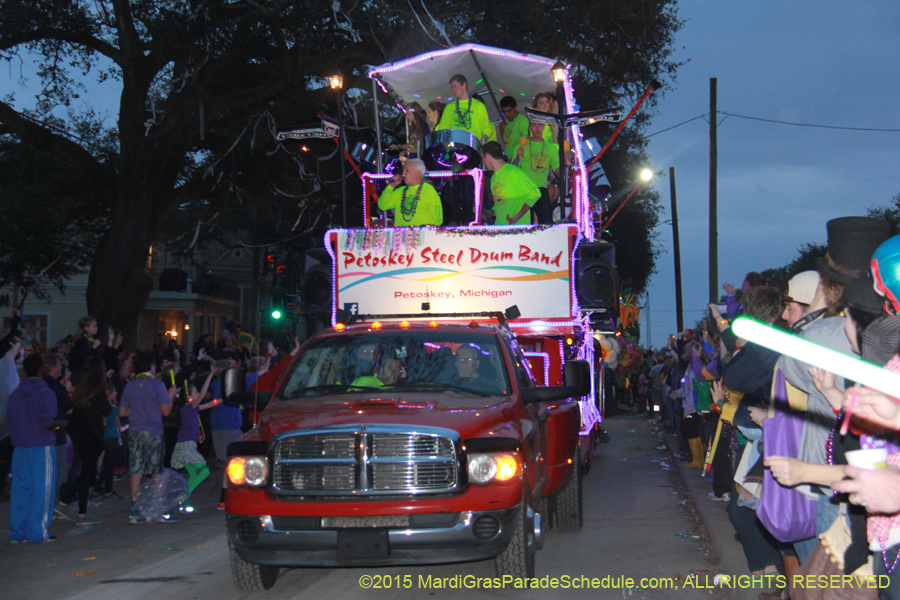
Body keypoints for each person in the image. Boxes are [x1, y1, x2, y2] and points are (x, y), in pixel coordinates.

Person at [7, 353, 67, 543]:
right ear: (42, 368)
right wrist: (61, 424)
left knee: (21, 491)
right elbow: (47, 422)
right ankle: (37, 532)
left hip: (19, 446)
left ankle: (17, 532)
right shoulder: (45, 392)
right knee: (42, 491)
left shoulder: (16, 393)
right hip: (40, 445)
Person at [119, 351, 177, 523]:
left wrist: (137, 410)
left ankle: (135, 512)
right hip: (153, 431)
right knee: (156, 472)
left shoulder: (130, 386)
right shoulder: (158, 385)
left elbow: (122, 411)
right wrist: (172, 395)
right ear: (152, 366)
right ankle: (160, 512)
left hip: (135, 431)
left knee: (136, 471)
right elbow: (166, 411)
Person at [60, 356, 110, 525]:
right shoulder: (98, 391)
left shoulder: (82, 388)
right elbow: (107, 410)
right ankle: (82, 513)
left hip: (78, 431)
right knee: (88, 473)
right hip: (92, 434)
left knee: (86, 472)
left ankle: (66, 499)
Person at [171, 368, 216, 512]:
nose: (198, 394)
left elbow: (209, 404)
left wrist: (225, 399)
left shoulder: (192, 409)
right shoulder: (188, 408)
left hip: (185, 445)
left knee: (193, 474)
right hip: (187, 445)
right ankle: (183, 497)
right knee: (204, 471)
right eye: (195, 392)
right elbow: (203, 395)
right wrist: (210, 374)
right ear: (189, 397)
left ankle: (185, 503)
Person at [481, 141, 540, 225]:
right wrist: (491, 212)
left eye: (482, 158)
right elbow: (500, 203)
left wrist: (520, 214)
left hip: (518, 230)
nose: (482, 161)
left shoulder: (514, 172)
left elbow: (535, 193)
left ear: (487, 156)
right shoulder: (493, 178)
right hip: (500, 228)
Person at [513, 121, 559, 224]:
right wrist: (517, 157)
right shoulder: (522, 144)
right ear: (529, 127)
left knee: (546, 223)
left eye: (539, 125)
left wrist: (566, 162)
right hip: (524, 189)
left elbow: (558, 171)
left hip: (540, 189)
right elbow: (512, 169)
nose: (537, 129)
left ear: (543, 127)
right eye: (534, 125)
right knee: (525, 224)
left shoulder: (551, 147)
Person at [377, 158, 443, 226]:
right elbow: (383, 206)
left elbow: (438, 220)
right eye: (403, 170)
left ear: (418, 172)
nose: (403, 173)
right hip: (401, 235)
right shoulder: (399, 191)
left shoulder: (429, 191)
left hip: (422, 235)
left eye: (407, 170)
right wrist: (391, 186)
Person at [435, 74, 496, 144]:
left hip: (473, 147)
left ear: (464, 85)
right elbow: (443, 129)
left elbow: (487, 129)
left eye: (455, 87)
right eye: (452, 88)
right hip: (455, 148)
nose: (453, 90)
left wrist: (483, 139)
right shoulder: (449, 108)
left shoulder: (479, 106)